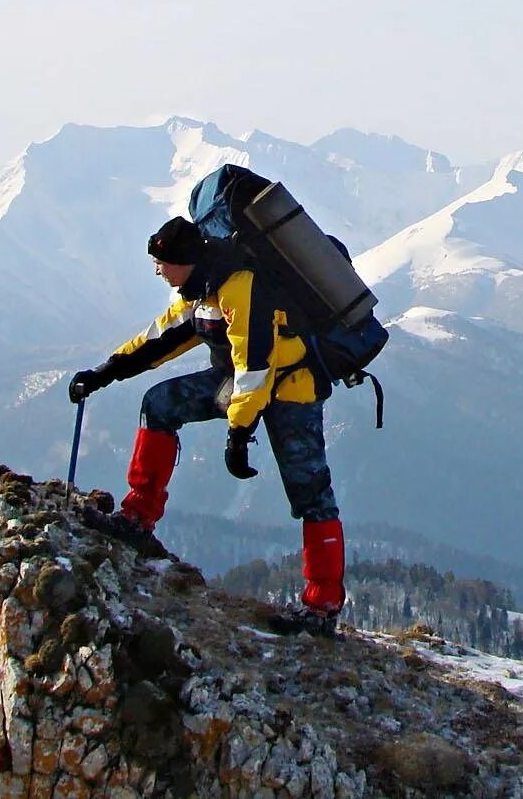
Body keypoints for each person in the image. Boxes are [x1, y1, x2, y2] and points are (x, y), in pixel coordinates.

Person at [68, 216, 346, 625]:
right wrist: (102, 374)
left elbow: (256, 366)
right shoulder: (201, 292)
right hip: (241, 381)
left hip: (291, 387)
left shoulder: (239, 286)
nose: (157, 270)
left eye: (161, 262)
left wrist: (238, 433)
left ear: (184, 259)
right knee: (159, 404)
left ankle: (322, 607)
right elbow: (158, 339)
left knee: (311, 492)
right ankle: (137, 518)